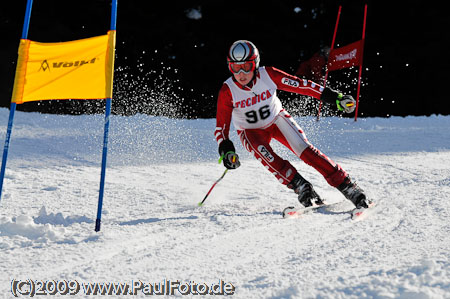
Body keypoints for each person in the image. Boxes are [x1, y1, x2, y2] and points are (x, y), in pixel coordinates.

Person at [214, 40, 372, 215]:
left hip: (277, 120)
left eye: (246, 66)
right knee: (269, 158)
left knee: (306, 151)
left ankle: (347, 186)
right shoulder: (227, 91)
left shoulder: (269, 75)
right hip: (250, 132)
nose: (241, 73)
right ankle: (301, 186)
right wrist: (226, 150)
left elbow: (303, 86)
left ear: (256, 64)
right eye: (235, 68)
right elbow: (221, 128)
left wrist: (334, 97)